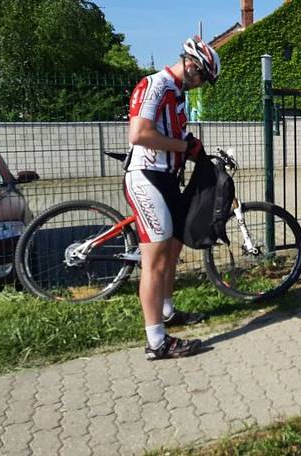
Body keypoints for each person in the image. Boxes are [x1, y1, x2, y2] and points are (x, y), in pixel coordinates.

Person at [125, 36, 221, 360]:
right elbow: (139, 134)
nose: (202, 84)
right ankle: (156, 342)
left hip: (167, 178)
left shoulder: (178, 93)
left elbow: (173, 134)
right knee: (154, 262)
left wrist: (191, 146)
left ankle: (166, 311)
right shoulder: (155, 85)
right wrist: (183, 147)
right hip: (147, 178)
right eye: (203, 78)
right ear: (191, 66)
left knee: (172, 249)